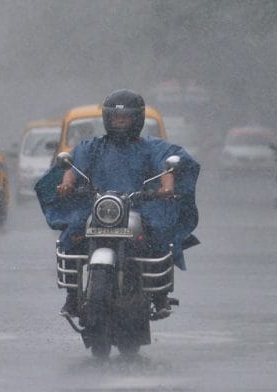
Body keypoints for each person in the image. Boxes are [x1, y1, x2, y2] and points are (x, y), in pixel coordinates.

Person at [35, 89, 200, 319]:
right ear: (107, 118)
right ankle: (72, 296)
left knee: (161, 232)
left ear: (137, 119)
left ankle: (160, 294)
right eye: (115, 118)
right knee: (70, 234)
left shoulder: (150, 147)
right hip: (100, 207)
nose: (120, 122)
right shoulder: (92, 146)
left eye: (125, 118)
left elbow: (166, 166)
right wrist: (66, 185)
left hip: (140, 208)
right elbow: (73, 168)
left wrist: (166, 187)